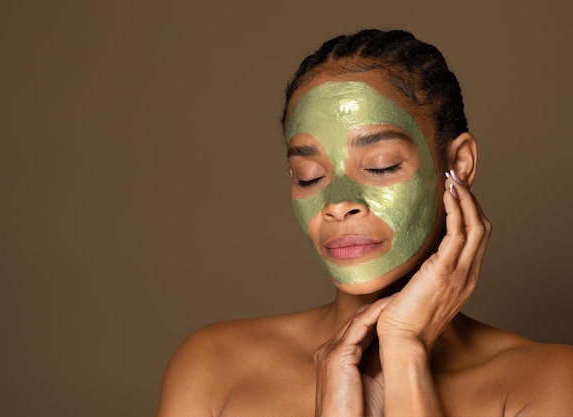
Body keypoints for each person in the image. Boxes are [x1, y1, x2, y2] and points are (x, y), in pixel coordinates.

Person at [155, 29, 573, 416]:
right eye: (309, 176)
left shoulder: (548, 381)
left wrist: (406, 349)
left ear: (458, 165)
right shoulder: (215, 365)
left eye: (380, 166)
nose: (338, 204)